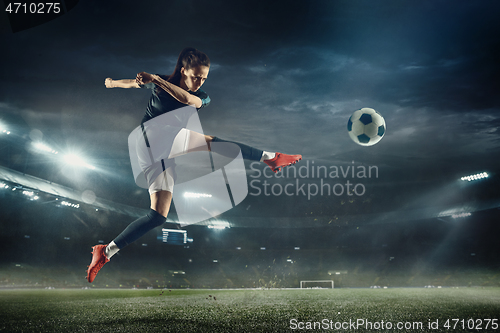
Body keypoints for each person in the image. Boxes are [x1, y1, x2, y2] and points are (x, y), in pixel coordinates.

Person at [86, 47, 302, 283]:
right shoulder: (160, 83)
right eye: (195, 76)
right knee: (206, 150)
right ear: (183, 70)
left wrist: (155, 79)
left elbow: (187, 99)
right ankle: (270, 157)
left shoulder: (199, 96)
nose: (199, 82)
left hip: (168, 145)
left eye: (204, 78)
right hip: (149, 142)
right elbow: (133, 83)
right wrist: (111, 83)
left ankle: (105, 251)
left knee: (163, 210)